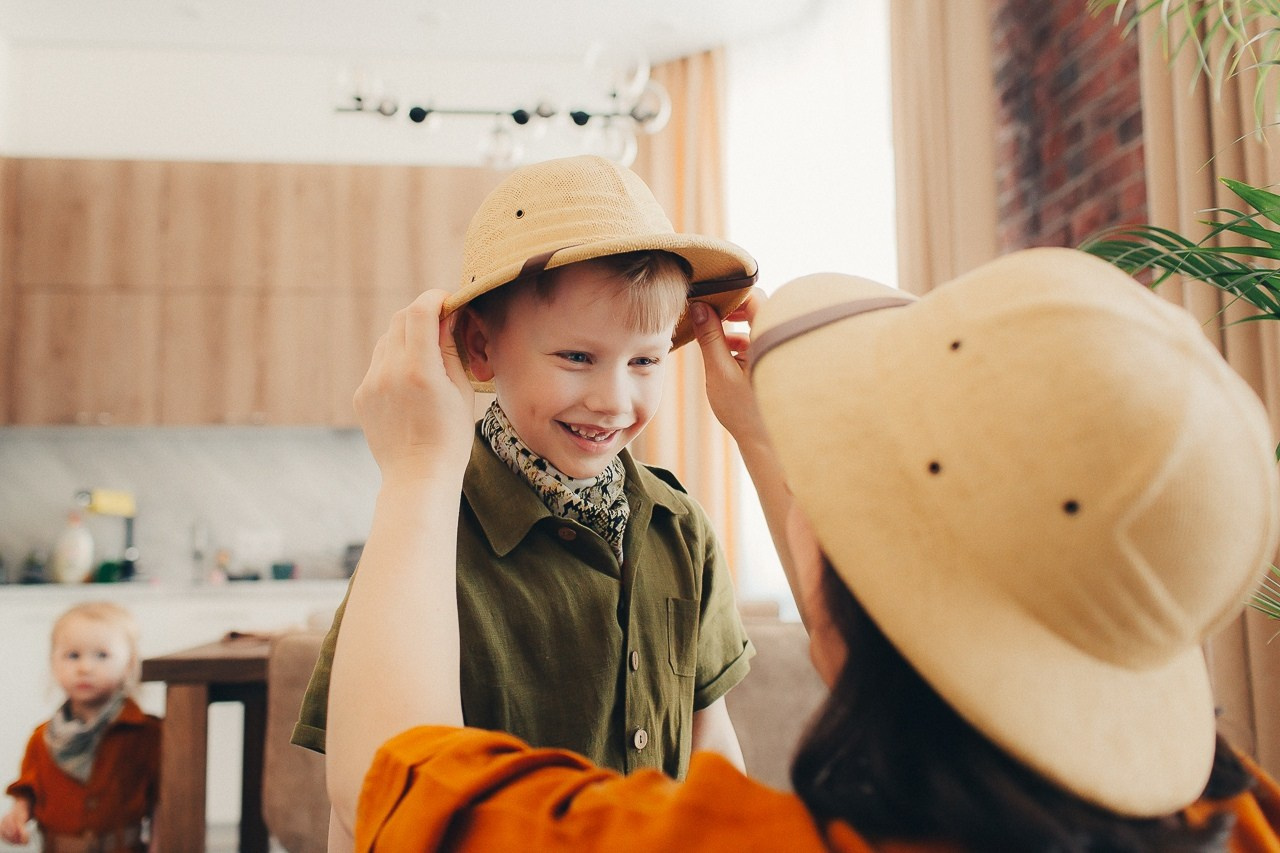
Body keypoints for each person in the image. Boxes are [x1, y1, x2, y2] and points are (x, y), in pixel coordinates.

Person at [324, 246, 1280, 850]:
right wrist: (765, 438)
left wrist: (415, 466)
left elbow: (398, 781)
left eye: (842, 485)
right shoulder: (1238, 818)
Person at [296, 156, 760, 844]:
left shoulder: (680, 525)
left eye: (645, 361)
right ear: (481, 348)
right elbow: (363, 801)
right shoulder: (423, 534)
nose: (614, 399)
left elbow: (707, 733)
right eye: (577, 357)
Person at [1, 601, 161, 852]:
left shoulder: (146, 733)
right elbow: (28, 791)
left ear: (129, 665)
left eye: (102, 655)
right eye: (73, 655)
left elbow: (162, 801)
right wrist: (17, 816)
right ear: (54, 664)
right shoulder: (42, 738)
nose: (85, 668)